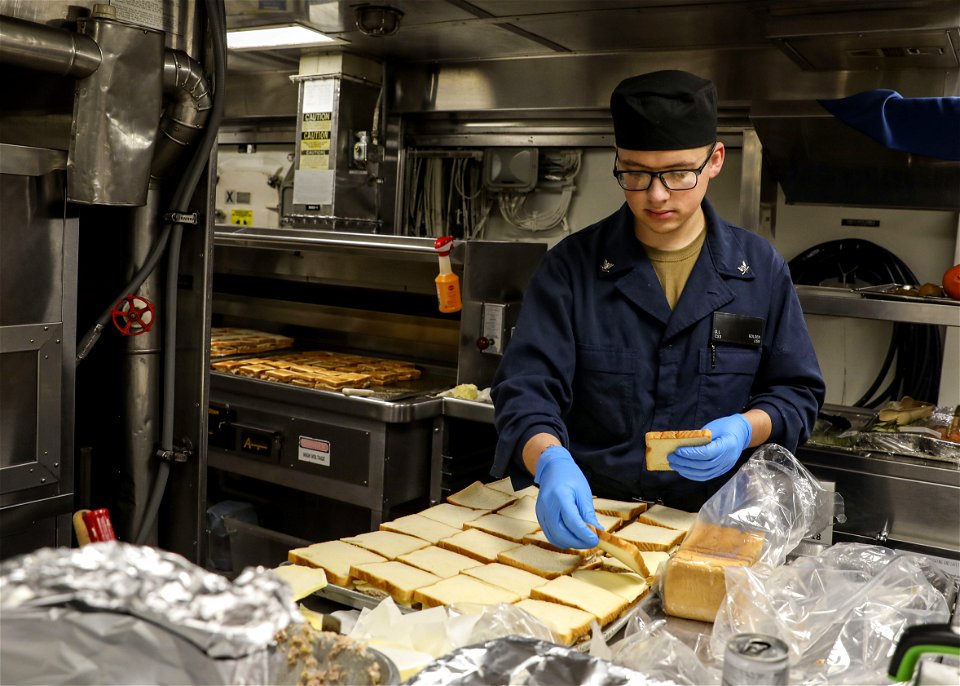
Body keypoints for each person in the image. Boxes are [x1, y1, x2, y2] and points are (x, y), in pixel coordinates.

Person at [490, 70, 825, 550]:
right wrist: (550, 461)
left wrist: (744, 429)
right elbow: (525, 392)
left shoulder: (760, 271)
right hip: (596, 524)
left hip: (713, 527)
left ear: (715, 161)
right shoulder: (571, 267)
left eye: (677, 173)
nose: (657, 195)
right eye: (636, 173)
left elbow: (797, 393)